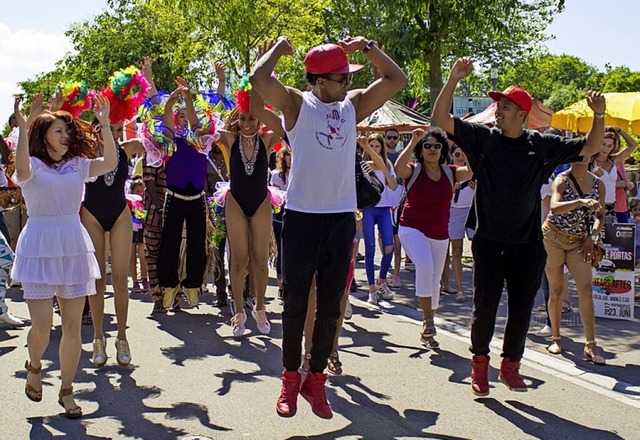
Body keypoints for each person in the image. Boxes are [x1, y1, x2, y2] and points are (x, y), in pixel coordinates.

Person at [251, 36, 407, 419]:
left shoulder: (351, 106)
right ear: (319, 81)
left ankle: (315, 381)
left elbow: (396, 79)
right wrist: (279, 48)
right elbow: (258, 78)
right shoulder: (295, 103)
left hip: (340, 220)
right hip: (302, 218)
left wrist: (368, 48)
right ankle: (290, 378)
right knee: (295, 305)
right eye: (341, 78)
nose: (348, 84)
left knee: (331, 309)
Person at [431, 56, 605, 396]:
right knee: (485, 306)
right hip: (489, 240)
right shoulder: (484, 138)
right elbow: (439, 119)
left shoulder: (541, 145)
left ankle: (511, 366)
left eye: (506, 107)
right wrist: (452, 78)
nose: (498, 111)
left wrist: (598, 115)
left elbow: (591, 147)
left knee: (522, 307)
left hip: (527, 243)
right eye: (498, 105)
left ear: (523, 115)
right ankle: (479, 366)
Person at [13, 93, 116, 419]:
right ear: (43, 135)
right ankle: (34, 365)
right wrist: (25, 124)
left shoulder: (78, 165)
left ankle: (67, 391)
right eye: (58, 130)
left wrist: (105, 122)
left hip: (72, 242)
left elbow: (110, 163)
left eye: (67, 131)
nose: (65, 135)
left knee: (73, 327)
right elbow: (20, 166)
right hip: (39, 246)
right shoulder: (32, 167)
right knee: (42, 327)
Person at [79, 67, 149, 368]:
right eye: (104, 125)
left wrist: (148, 81)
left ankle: (122, 336)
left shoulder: (128, 148)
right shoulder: (82, 154)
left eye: (116, 127)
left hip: (119, 213)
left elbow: (161, 138)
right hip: (91, 214)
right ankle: (98, 338)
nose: (111, 131)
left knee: (120, 278)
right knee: (97, 279)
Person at [214, 82, 283, 337]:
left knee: (260, 259)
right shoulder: (230, 141)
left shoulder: (267, 139)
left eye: (252, 118)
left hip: (261, 201)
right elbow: (205, 125)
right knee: (239, 258)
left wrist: (266, 81)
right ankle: (239, 312)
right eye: (243, 118)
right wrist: (189, 101)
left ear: (259, 119)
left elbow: (285, 122)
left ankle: (261, 308)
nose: (247, 123)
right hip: (236, 202)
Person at [395, 127, 471, 348]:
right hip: (411, 228)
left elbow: (473, 171)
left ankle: (428, 327)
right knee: (425, 267)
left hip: (439, 233)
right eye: (427, 145)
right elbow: (399, 169)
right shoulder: (413, 169)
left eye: (437, 146)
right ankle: (428, 320)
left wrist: (465, 146)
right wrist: (413, 141)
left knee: (435, 280)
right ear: (421, 149)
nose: (432, 149)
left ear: (442, 150)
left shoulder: (450, 172)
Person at [543, 157, 606, 364]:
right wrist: (580, 202)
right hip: (554, 237)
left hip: (580, 241)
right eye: (579, 153)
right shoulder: (562, 179)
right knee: (557, 290)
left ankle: (590, 344)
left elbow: (600, 215)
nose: (583, 157)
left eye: (587, 153)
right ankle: (556, 338)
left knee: (585, 288)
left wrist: (593, 237)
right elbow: (554, 207)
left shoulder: (598, 183)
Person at [358, 133, 398, 305]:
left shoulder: (387, 164)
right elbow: (374, 164)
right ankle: (372, 289)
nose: (374, 149)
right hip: (368, 209)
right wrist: (366, 149)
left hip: (384, 210)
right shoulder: (363, 163)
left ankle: (382, 280)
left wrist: (385, 166)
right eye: (371, 146)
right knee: (370, 249)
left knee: (389, 247)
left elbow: (393, 184)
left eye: (377, 146)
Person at [441, 143, 475, 303]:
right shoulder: (449, 172)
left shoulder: (473, 171)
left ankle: (476, 289)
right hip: (454, 212)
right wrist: (450, 189)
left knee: (476, 251)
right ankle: (455, 287)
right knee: (454, 250)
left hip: (472, 213)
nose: (460, 158)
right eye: (457, 155)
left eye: (463, 154)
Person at [591, 126, 637, 222]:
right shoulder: (590, 161)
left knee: (611, 235)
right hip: (594, 206)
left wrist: (620, 131)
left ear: (613, 147)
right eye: (603, 144)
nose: (605, 149)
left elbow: (633, 144)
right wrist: (593, 176)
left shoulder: (613, 160)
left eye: (609, 146)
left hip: (612, 206)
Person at [383, 128, 404, 287]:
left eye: (394, 138)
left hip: (398, 202)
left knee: (397, 242)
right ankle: (385, 268)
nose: (392, 140)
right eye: (389, 137)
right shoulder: (380, 158)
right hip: (382, 202)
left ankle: (396, 275)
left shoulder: (400, 158)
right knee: (384, 239)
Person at [128, 177, 149, 293]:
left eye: (142, 191)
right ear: (132, 192)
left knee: (143, 256)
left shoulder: (146, 203)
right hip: (131, 231)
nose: (140, 194)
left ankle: (144, 278)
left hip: (142, 230)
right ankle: (135, 281)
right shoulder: (129, 202)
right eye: (138, 191)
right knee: (131, 256)